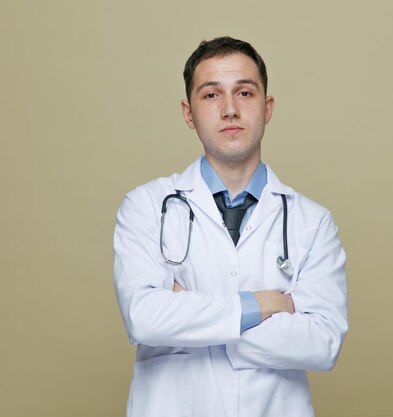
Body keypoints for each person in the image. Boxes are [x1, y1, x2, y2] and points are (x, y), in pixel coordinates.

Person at [113, 36, 348, 417]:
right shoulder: (145, 207)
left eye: (244, 93)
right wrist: (265, 305)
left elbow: (322, 344)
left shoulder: (312, 223)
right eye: (211, 95)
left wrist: (185, 311)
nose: (229, 110)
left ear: (267, 107)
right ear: (189, 113)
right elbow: (144, 318)